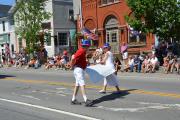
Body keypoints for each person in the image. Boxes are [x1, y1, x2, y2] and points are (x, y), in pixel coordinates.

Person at [70, 39, 92, 106]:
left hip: (80, 69)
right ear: (85, 46)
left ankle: (73, 99)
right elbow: (73, 58)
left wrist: (86, 62)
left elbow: (79, 59)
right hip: (78, 70)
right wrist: (72, 65)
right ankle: (86, 100)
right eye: (88, 46)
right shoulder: (81, 51)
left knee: (77, 85)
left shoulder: (83, 51)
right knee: (82, 84)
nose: (88, 48)